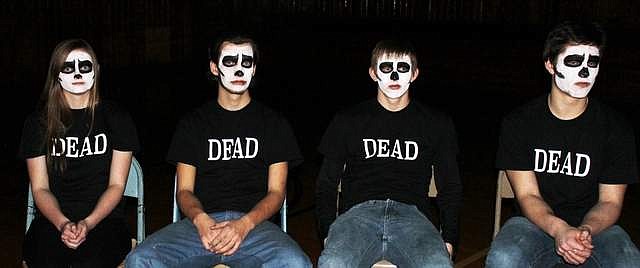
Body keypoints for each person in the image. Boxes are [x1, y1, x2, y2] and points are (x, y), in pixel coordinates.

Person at [125, 35, 311, 267]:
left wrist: (243, 225)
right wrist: (201, 220)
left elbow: (276, 192)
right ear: (214, 67)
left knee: (295, 263)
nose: (239, 69)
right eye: (230, 61)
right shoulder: (193, 124)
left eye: (246, 62)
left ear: (254, 69)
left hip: (255, 226)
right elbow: (184, 190)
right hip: (199, 225)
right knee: (140, 260)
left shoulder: (274, 124)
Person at [486, 21, 640, 267]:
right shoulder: (519, 123)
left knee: (628, 260)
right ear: (550, 65)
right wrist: (559, 229)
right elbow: (527, 195)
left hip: (596, 228)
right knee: (504, 259)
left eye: (592, 63)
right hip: (535, 224)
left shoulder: (616, 128)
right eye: (573, 61)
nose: (584, 72)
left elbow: (610, 202)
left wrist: (585, 231)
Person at [316, 39, 463, 268]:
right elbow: (326, 183)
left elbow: (450, 185)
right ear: (373, 73)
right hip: (358, 216)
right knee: (333, 263)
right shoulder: (348, 120)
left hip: (413, 218)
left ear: (414, 74)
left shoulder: (436, 123)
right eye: (386, 68)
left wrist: (450, 239)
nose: (394, 76)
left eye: (402, 68)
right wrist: (327, 232)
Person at [18, 39, 139, 267]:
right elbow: (40, 188)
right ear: (56, 74)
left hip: (105, 220)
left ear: (95, 71)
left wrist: (88, 223)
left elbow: (116, 186)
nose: (77, 73)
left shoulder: (117, 118)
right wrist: (63, 224)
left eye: (84, 66)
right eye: (68, 67)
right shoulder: (37, 123)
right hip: (52, 221)